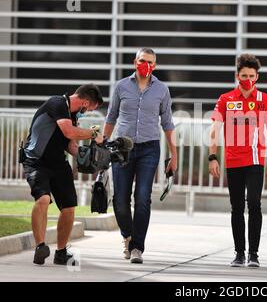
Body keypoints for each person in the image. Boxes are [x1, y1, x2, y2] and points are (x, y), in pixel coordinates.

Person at [103, 47, 177, 264]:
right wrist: (102, 144)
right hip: (122, 148)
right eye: (143, 61)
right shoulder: (122, 86)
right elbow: (111, 116)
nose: (147, 65)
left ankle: (137, 248)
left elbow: (168, 124)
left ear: (155, 65)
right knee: (120, 200)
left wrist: (174, 155)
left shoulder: (162, 89)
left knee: (142, 198)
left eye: (151, 63)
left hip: (149, 149)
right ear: (135, 62)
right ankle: (127, 236)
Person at [209, 54, 267, 268]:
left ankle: (254, 254)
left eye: (251, 75)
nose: (247, 79)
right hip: (232, 160)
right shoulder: (225, 99)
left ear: (257, 77)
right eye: (243, 75)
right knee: (236, 207)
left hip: (256, 160)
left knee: (254, 204)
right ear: (237, 76)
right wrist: (212, 157)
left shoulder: (265, 100)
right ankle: (239, 253)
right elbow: (214, 130)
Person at [22, 84, 104, 265]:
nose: (88, 112)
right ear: (85, 101)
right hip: (36, 161)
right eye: (90, 108)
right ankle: (40, 246)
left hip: (58, 164)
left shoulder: (72, 116)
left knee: (68, 208)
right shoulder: (57, 103)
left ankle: (60, 252)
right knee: (43, 199)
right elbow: (68, 131)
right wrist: (93, 134)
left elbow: (70, 144)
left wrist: (90, 159)